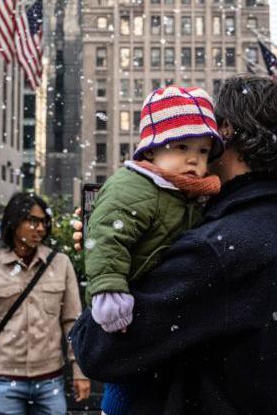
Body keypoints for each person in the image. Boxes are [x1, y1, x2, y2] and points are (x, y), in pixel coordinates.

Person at [70, 74, 277, 414]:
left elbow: (98, 351)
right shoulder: (273, 224)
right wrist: (123, 244)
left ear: (224, 131)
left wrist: (109, 279)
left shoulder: (220, 247)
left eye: (205, 131)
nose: (197, 143)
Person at [82, 85, 224, 414]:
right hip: (128, 303)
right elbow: (106, 238)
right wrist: (109, 292)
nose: (194, 158)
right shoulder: (134, 186)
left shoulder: (186, 192)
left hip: (157, 307)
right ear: (150, 152)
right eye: (182, 146)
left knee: (144, 377)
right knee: (124, 378)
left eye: (204, 151)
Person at [0, 193, 88, 415]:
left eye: (43, 221)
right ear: (14, 223)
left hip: (50, 380)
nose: (40, 228)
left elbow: (73, 323)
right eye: (32, 221)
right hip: (4, 381)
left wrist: (80, 371)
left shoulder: (60, 264)